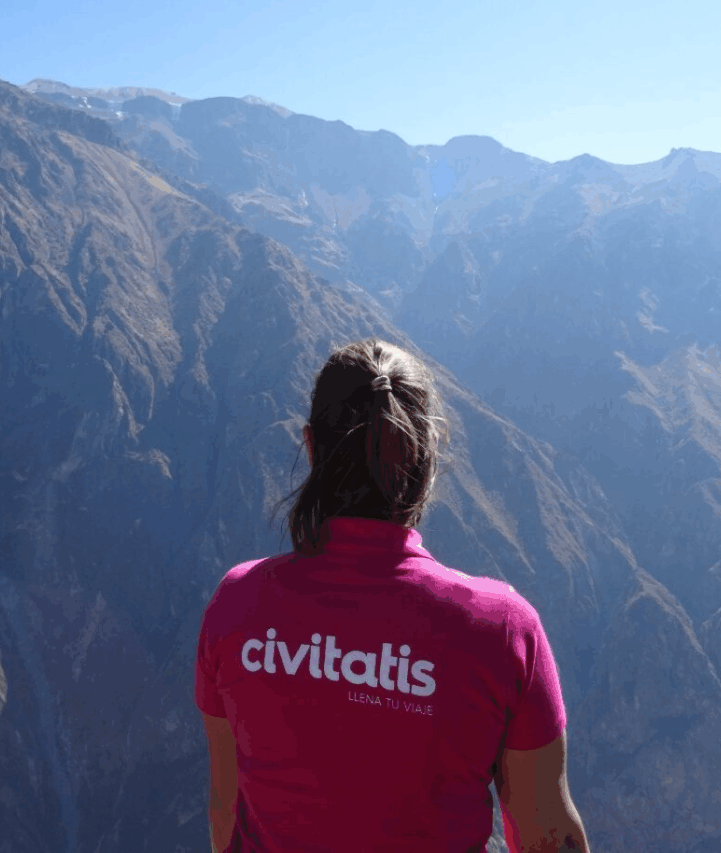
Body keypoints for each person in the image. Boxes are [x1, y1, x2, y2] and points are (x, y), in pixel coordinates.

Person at [195, 338, 589, 852]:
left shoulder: (238, 605)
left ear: (311, 447)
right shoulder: (502, 629)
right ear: (428, 454)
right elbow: (546, 835)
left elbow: (226, 813)